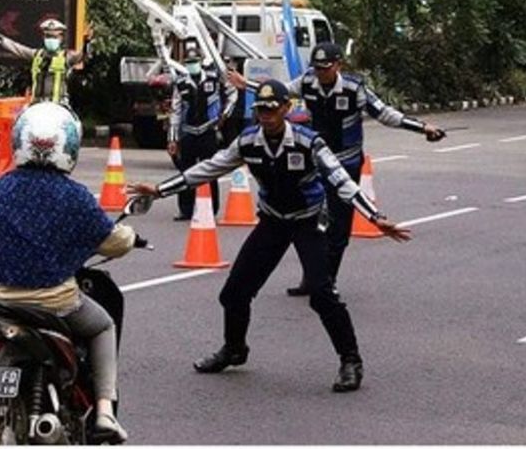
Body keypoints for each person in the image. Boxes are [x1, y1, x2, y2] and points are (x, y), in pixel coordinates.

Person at [129, 80, 412, 393]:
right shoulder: (248, 141)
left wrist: (376, 218)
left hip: (308, 221)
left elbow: (342, 181)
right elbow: (210, 168)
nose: (266, 115)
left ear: (286, 109)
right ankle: (234, 349)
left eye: (272, 108)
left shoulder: (308, 142)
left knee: (321, 294)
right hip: (273, 220)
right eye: (260, 109)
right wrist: (159, 190)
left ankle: (351, 361)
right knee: (234, 293)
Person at [0, 102, 136, 445]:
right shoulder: (74, 196)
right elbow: (112, 242)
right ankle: (104, 412)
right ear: (67, 146)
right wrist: (129, 237)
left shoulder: (0, 188)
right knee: (103, 326)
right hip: (54, 305)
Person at [229, 42, 445, 296]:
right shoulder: (308, 81)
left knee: (339, 227)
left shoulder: (355, 88)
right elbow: (281, 94)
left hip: (346, 162)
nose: (320, 73)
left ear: (338, 65)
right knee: (312, 224)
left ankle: (325, 282)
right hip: (317, 161)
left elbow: (385, 114)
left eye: (326, 68)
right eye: (317, 68)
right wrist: (248, 85)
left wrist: (422, 128)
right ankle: (313, 278)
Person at [167, 46, 238, 220]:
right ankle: (186, 209)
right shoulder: (181, 83)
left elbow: (233, 92)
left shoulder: (214, 78)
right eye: (189, 63)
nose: (192, 65)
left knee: (210, 170)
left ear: (200, 62)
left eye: (194, 62)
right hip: (188, 132)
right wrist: (173, 139)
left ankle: (211, 209)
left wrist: (225, 114)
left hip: (208, 130)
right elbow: (175, 112)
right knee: (186, 171)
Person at [0, 15, 87, 106]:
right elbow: (13, 46)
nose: (51, 39)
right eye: (48, 36)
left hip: (59, 108)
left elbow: (81, 56)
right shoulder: (35, 55)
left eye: (54, 37)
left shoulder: (67, 57)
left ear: (61, 38)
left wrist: (86, 42)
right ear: (43, 37)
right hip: (36, 106)